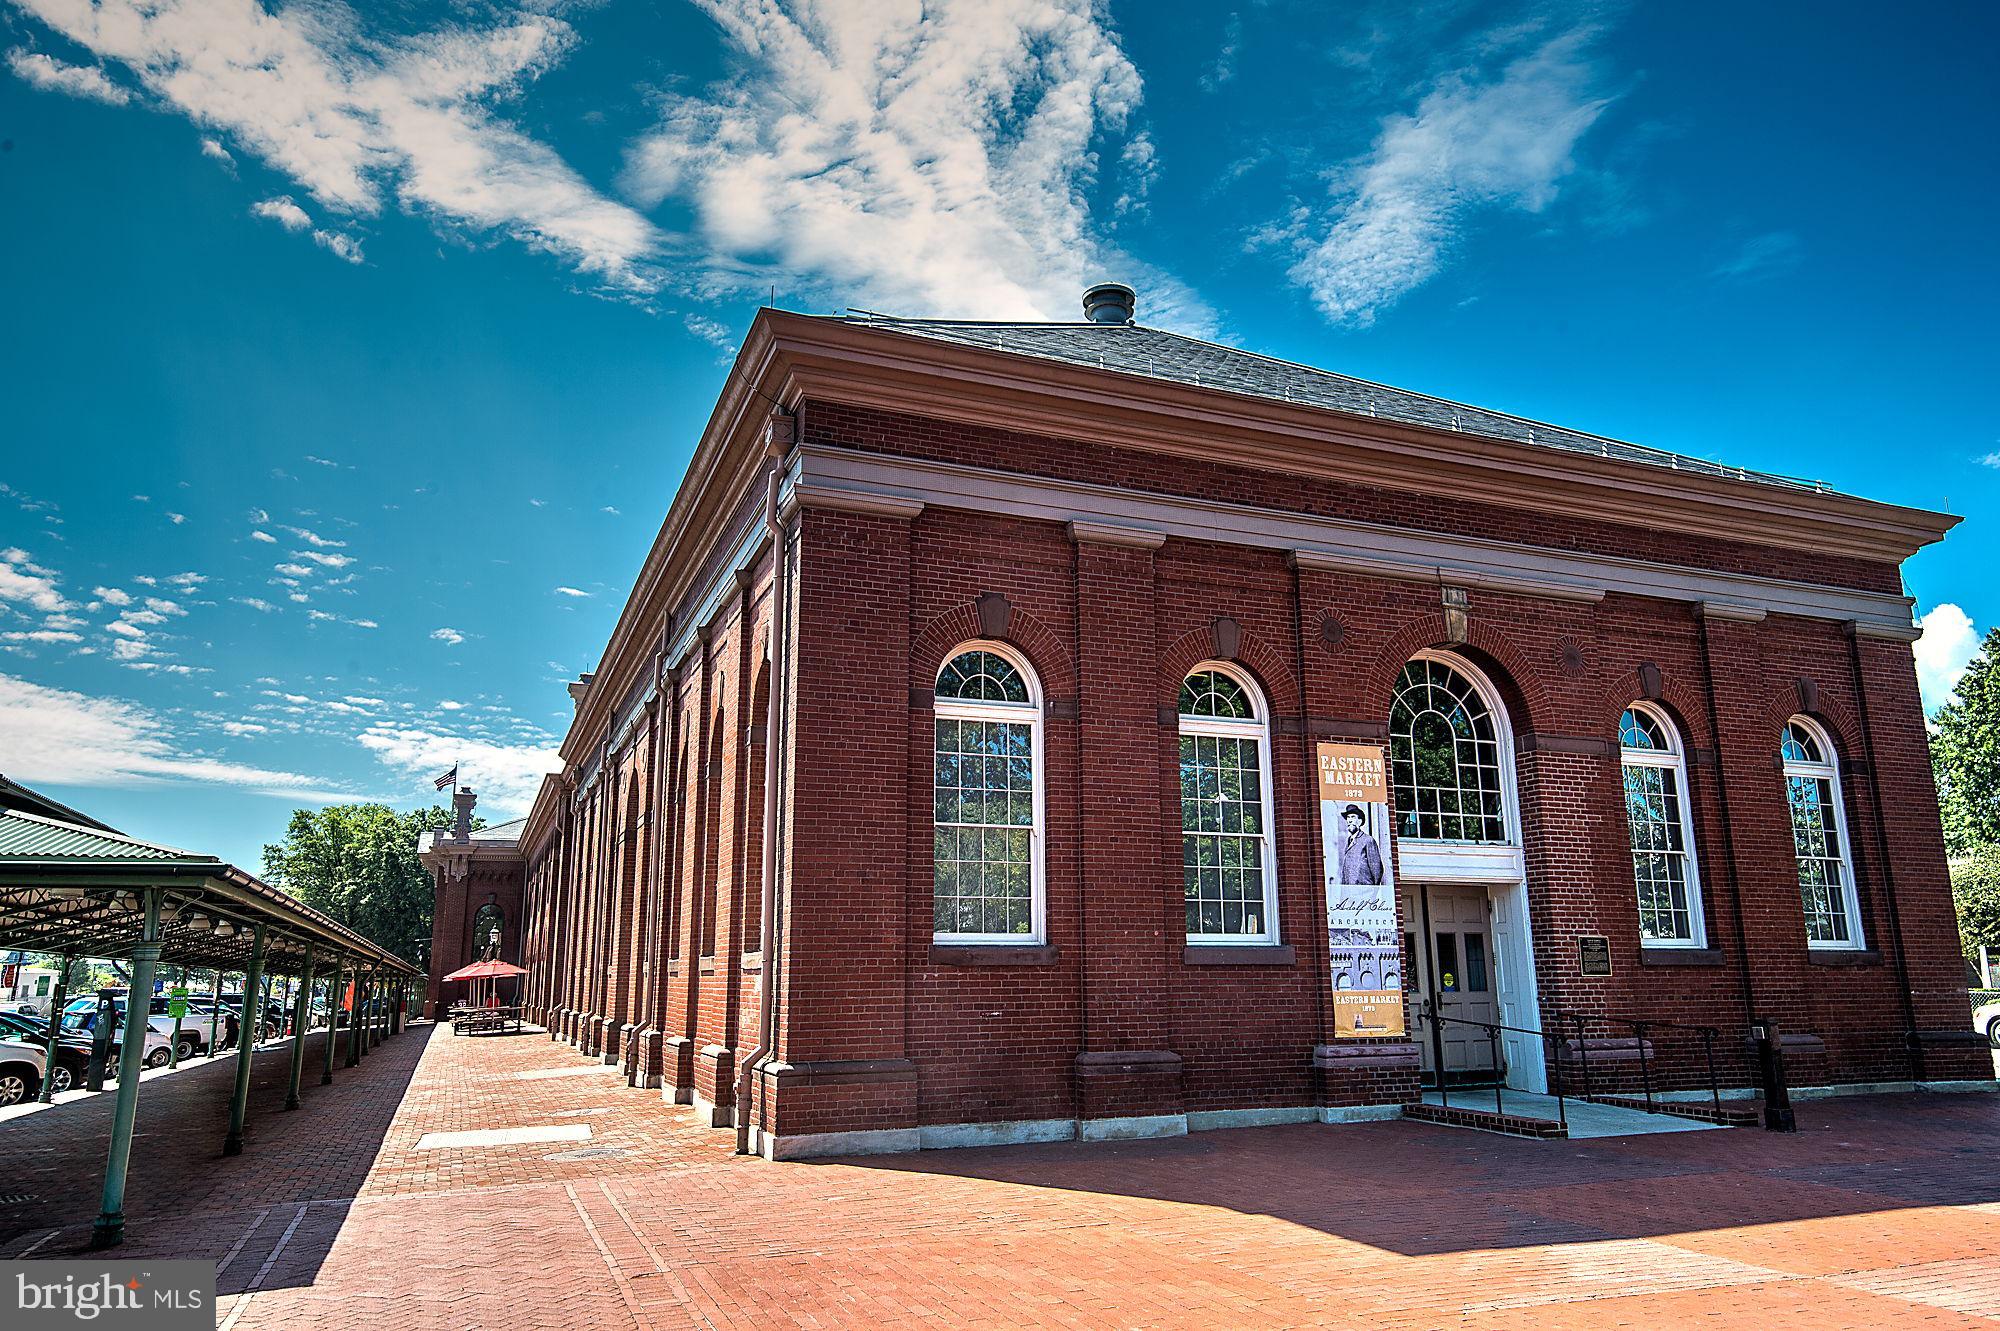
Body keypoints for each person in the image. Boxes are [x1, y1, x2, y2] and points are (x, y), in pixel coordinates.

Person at [1337, 804, 1384, 886]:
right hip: (1349, 892)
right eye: (1348, 817)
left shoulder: (1368, 840)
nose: (1350, 820)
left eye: (1353, 817)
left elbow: (1377, 869)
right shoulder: (1348, 841)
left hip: (1364, 891)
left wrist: (1372, 891)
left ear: (1360, 821)